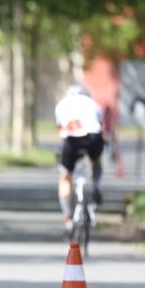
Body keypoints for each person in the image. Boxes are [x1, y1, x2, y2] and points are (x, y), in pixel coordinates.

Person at [54, 84, 104, 234]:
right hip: (93, 137)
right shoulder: (94, 104)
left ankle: (68, 219)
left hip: (72, 139)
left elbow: (61, 130)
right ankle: (95, 185)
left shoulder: (62, 105)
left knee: (65, 177)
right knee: (96, 161)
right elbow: (101, 128)